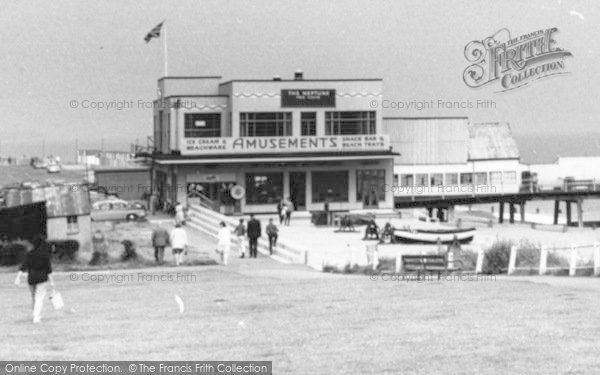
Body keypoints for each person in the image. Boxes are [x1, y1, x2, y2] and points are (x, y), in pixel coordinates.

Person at [14, 236, 54, 324]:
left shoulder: (30, 254)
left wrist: (18, 277)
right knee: (39, 298)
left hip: (31, 278)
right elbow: (49, 269)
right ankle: (36, 317)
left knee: (34, 298)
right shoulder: (45, 255)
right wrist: (52, 282)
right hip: (42, 278)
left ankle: (35, 314)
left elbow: (23, 265)